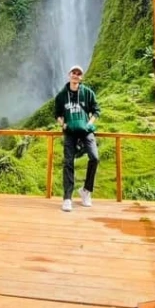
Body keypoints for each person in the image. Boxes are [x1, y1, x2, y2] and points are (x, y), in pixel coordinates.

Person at [53, 65, 100, 212]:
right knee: (68, 163)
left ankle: (86, 190)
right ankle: (67, 198)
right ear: (69, 75)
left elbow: (96, 111)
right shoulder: (61, 95)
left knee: (95, 157)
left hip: (86, 132)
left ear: (81, 77)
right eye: (74, 72)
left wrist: (88, 124)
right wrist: (64, 125)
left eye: (79, 73)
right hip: (70, 133)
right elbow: (57, 114)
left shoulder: (88, 93)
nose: (76, 75)